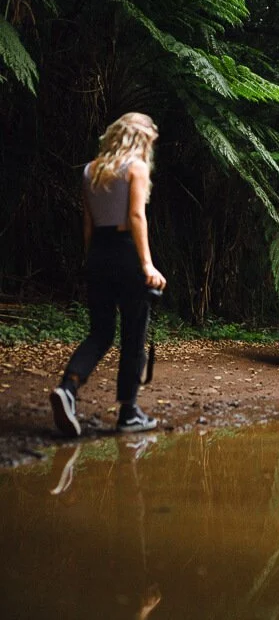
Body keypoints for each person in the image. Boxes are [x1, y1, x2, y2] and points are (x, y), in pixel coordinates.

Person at [50, 112, 167, 436]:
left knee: (100, 332)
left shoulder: (91, 170)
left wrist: (92, 259)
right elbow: (135, 216)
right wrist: (147, 265)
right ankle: (128, 412)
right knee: (133, 336)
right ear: (140, 139)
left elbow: (87, 222)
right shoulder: (136, 168)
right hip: (127, 251)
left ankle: (68, 389)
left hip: (99, 253)